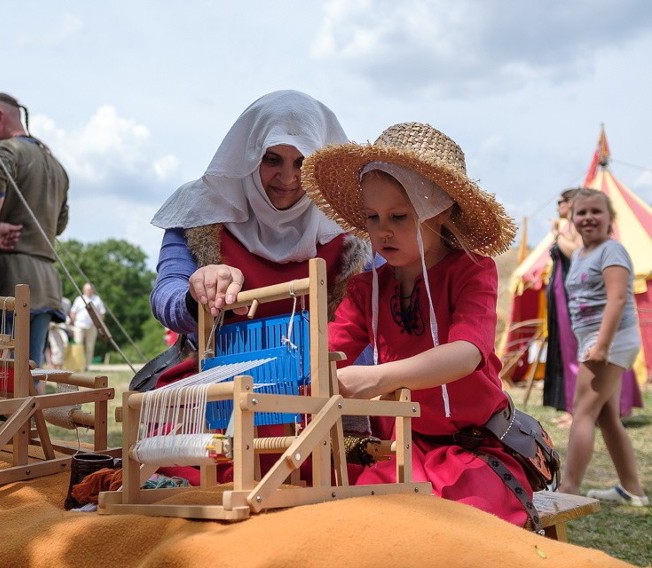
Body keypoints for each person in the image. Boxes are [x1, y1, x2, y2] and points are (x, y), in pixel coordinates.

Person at [302, 122, 540, 528]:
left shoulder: (472, 271)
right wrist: (305, 370)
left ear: (440, 211)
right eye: (373, 217)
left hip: (476, 449)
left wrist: (379, 377)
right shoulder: (367, 288)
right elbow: (326, 355)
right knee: (366, 518)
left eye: (399, 216)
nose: (383, 231)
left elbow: (466, 354)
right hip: (405, 449)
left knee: (465, 523)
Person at [147, 90, 371, 484]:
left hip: (317, 394)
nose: (287, 179)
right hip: (217, 386)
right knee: (194, 473)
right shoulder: (201, 212)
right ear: (249, 155)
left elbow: (376, 314)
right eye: (272, 160)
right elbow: (166, 295)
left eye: (303, 163)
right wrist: (196, 292)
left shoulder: (352, 230)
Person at [0, 92, 69, 394]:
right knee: (28, 371)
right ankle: (27, 439)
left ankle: (2, 440)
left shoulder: (6, 150)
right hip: (44, 283)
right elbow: (59, 225)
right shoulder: (56, 166)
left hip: (6, 280)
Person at [559, 188, 648, 506]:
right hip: (595, 341)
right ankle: (633, 491)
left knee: (582, 412)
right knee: (607, 417)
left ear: (611, 218)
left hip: (608, 342)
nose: (588, 218)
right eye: (581, 213)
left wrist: (602, 346)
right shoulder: (583, 254)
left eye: (596, 211)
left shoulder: (612, 250)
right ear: (572, 219)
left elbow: (618, 298)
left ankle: (568, 490)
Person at [542, 188, 583, 427]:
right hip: (559, 295)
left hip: (570, 296)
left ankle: (577, 411)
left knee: (573, 352)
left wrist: (558, 234)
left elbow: (577, 253)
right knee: (563, 352)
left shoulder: (576, 226)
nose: (557, 206)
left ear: (571, 203)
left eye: (561, 201)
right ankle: (569, 408)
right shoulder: (569, 226)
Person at [70, 283, 106, 371]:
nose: (89, 291)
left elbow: (102, 313)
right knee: (78, 344)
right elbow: (73, 312)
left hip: (92, 327)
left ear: (92, 290)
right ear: (84, 290)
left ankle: (86, 366)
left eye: (90, 289)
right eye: (87, 289)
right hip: (79, 325)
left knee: (90, 347)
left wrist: (98, 323)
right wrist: (73, 323)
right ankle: (78, 365)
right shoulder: (78, 299)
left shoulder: (97, 299)